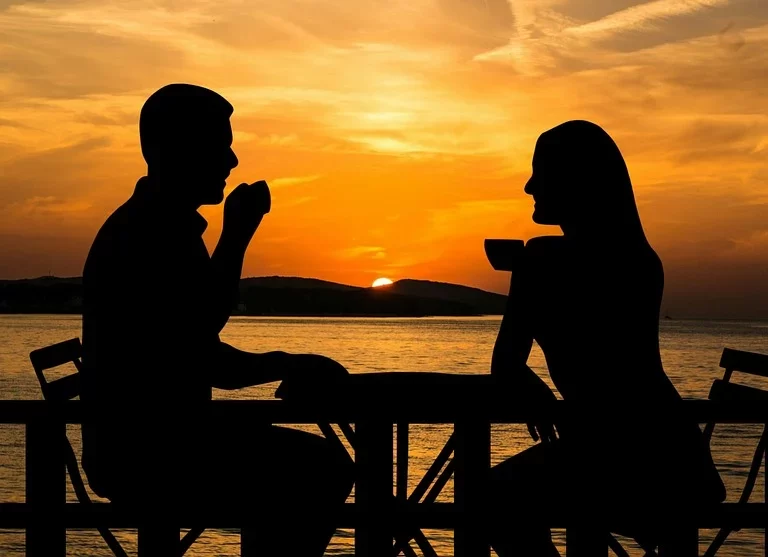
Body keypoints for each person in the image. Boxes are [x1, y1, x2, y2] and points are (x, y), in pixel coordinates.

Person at [81, 83, 353, 555]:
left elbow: (198, 334)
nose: (232, 161)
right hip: (152, 455)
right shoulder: (151, 233)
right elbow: (205, 354)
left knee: (316, 465)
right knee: (324, 468)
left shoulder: (156, 225)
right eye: (221, 145)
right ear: (176, 148)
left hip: (149, 443)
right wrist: (238, 238)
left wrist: (235, 238)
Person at [487, 120, 725, 555]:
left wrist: (541, 396)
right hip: (675, 457)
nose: (528, 186)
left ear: (577, 180)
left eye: (541, 171)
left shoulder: (541, 260)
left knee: (490, 500)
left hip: (616, 461)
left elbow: (505, 364)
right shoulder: (641, 260)